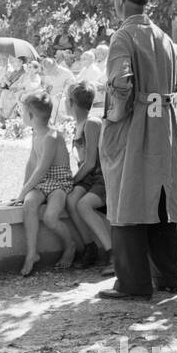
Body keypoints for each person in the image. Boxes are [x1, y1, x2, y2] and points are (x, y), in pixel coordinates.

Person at [97, 0, 177, 301]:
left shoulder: (123, 36)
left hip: (135, 127)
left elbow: (121, 83)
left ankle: (133, 283)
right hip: (163, 125)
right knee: (161, 200)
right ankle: (168, 276)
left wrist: (114, 117)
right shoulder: (164, 36)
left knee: (128, 198)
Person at [12, 90, 79, 275]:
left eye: (23, 111)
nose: (21, 114)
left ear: (31, 115)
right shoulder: (35, 135)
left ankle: (70, 246)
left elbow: (42, 168)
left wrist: (24, 190)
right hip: (43, 181)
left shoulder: (52, 137)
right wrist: (23, 192)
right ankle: (32, 253)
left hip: (58, 181)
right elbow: (32, 163)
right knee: (29, 204)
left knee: (50, 217)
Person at [65, 80, 111, 270]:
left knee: (83, 205)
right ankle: (89, 247)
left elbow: (91, 162)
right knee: (70, 200)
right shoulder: (78, 124)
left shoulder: (91, 123)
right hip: (89, 177)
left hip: (101, 177)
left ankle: (112, 252)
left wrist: (73, 180)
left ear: (71, 103)